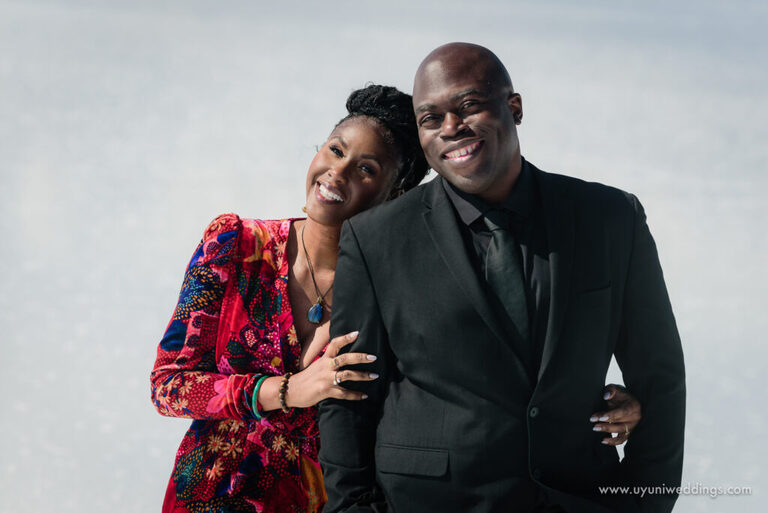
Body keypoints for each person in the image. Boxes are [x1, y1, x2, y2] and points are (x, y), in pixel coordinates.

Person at [151, 84, 642, 512]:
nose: (336, 174)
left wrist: (590, 407)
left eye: (365, 168)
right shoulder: (234, 244)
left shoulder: (399, 281)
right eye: (335, 149)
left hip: (328, 500)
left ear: (397, 191)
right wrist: (286, 391)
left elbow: (471, 390)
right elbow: (168, 385)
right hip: (208, 495)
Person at [318, 44, 685, 513]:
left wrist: (644, 503)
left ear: (514, 107)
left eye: (468, 106)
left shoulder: (612, 219)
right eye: (431, 118)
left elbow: (660, 375)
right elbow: (351, 395)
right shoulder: (376, 239)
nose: (451, 128)